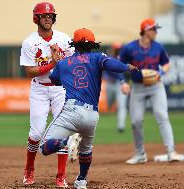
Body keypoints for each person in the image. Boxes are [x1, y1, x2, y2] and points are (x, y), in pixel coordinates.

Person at [39, 28, 137, 189]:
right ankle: (82, 180)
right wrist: (126, 67)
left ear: (74, 44)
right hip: (92, 115)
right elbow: (113, 65)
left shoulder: (63, 63)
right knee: (85, 150)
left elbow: (54, 79)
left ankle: (66, 141)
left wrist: (60, 63)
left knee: (44, 147)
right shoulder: (97, 58)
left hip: (72, 111)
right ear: (92, 44)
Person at [19, 2, 79, 187]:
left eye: (50, 15)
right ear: (36, 18)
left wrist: (60, 60)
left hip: (59, 89)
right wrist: (53, 63)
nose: (47, 18)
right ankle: (29, 169)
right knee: (36, 133)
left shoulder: (63, 38)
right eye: (44, 16)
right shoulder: (29, 42)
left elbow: (73, 64)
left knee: (62, 131)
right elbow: (30, 71)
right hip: (39, 89)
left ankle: (61, 175)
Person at [120, 18, 184, 164]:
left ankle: (171, 151)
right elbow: (119, 65)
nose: (156, 32)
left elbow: (166, 63)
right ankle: (140, 154)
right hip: (138, 87)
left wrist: (160, 73)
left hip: (156, 86)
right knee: (136, 121)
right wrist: (123, 82)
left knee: (162, 116)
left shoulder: (158, 47)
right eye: (154, 29)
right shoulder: (130, 48)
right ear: (146, 30)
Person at [102, 42, 128, 133]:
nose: (118, 50)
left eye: (119, 49)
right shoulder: (109, 59)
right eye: (116, 49)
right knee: (109, 104)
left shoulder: (124, 59)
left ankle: (121, 126)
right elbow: (113, 71)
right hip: (110, 84)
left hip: (120, 85)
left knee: (122, 105)